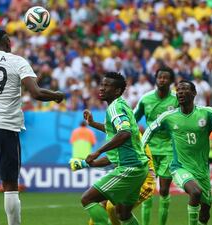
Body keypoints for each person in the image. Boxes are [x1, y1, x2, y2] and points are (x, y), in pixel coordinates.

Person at [0, 29, 64, 225]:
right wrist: (57, 95)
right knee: (10, 183)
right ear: (8, 43)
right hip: (5, 126)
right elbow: (36, 93)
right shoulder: (17, 61)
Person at [142, 80, 212, 225]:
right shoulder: (168, 116)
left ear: (194, 93)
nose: (180, 92)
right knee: (195, 192)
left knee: (206, 210)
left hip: (202, 170)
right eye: (178, 90)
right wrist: (140, 149)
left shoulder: (207, 113)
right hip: (179, 167)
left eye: (184, 89)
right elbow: (150, 129)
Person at [80, 72, 149, 225]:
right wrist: (93, 124)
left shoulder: (114, 108)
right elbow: (115, 130)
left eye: (107, 86)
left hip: (130, 167)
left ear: (117, 91)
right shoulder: (121, 105)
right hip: (139, 167)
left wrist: (98, 151)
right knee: (123, 214)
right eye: (102, 85)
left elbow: (124, 133)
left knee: (87, 199)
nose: (102, 88)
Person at [70, 131, 156, 225]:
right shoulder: (124, 133)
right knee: (104, 205)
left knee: (113, 208)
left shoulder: (127, 135)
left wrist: (88, 160)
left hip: (144, 181)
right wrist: (92, 123)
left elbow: (110, 159)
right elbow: (113, 158)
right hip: (131, 175)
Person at [133, 66, 178, 225]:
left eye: (166, 77)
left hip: (169, 150)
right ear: (156, 79)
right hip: (149, 150)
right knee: (147, 191)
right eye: (160, 77)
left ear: (171, 81)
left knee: (164, 190)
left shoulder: (177, 99)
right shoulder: (146, 99)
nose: (162, 80)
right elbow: (133, 120)